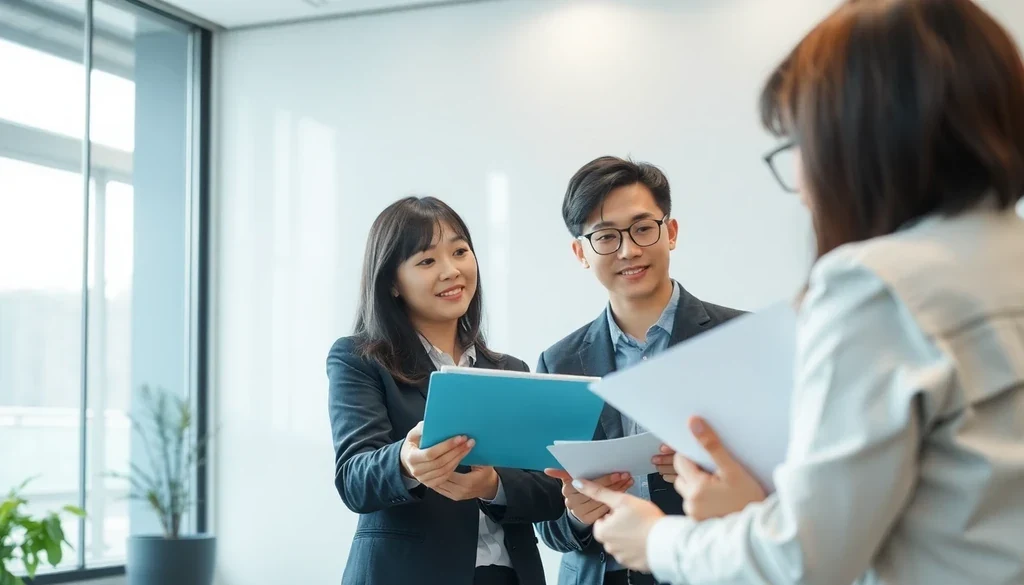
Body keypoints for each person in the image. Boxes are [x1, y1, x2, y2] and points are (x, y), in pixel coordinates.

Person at [571, 1, 1024, 584]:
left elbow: (804, 561)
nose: (803, 184)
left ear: (858, 141)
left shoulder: (873, 287)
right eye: (607, 236)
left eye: (801, 144)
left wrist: (660, 540)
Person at [327, 196, 564, 585]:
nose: (451, 271)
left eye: (460, 251)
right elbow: (354, 479)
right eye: (426, 261)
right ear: (392, 283)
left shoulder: (510, 371)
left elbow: (551, 492)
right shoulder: (359, 359)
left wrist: (494, 486)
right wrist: (405, 461)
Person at [534, 156, 745, 585]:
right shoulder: (558, 363)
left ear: (671, 232)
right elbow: (548, 526)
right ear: (580, 253)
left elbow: (785, 488)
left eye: (643, 228)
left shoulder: (739, 338)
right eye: (606, 237)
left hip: (705, 569)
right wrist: (576, 514)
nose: (628, 250)